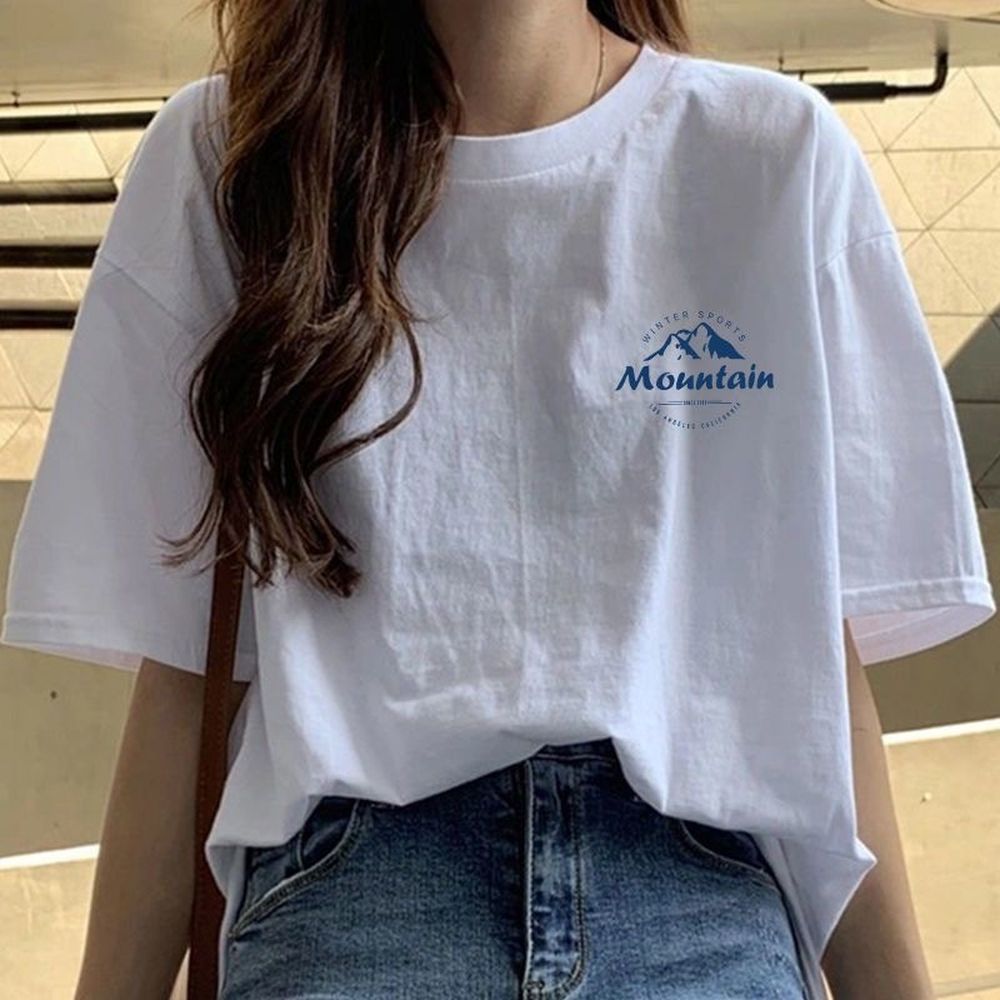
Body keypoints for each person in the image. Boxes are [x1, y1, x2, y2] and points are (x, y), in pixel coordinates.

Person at [2, 1, 995, 998]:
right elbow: (190, 677)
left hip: (697, 906)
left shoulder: (769, 157)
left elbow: (810, 656)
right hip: (353, 909)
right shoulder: (235, 157)